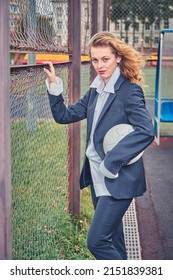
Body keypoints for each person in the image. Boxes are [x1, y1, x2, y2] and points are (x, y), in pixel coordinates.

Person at [44, 31, 154, 260]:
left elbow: (146, 131)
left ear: (118, 58)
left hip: (117, 178)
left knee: (96, 242)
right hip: (97, 178)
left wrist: (111, 162)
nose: (99, 65)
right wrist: (55, 87)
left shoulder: (129, 91)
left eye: (105, 59)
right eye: (95, 60)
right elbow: (64, 115)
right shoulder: (95, 90)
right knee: (112, 239)